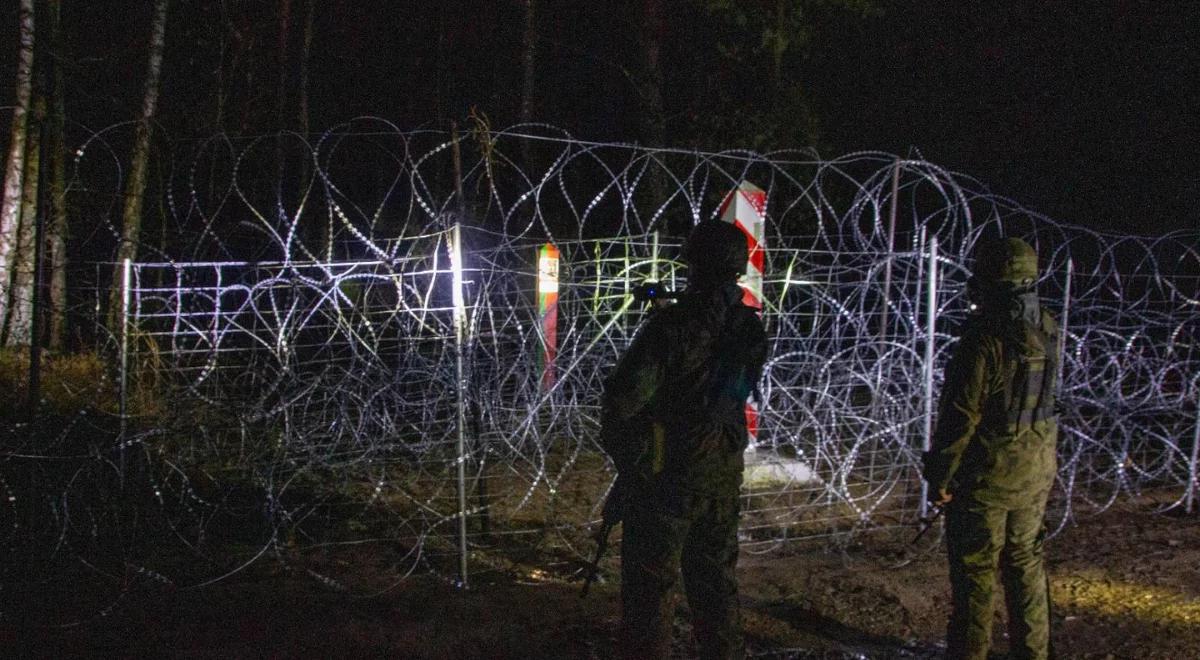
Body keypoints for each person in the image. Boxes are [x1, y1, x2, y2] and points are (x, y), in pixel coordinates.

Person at [600, 219, 767, 660]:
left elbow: (622, 400)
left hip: (666, 475)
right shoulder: (749, 328)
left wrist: (631, 463)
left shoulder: (672, 327)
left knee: (650, 597)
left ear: (693, 265)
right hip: (721, 472)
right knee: (716, 590)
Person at [922, 237, 1060, 660]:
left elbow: (960, 418)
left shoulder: (983, 340)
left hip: (987, 478)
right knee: (1025, 568)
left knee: (976, 576)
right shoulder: (1047, 326)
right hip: (1035, 470)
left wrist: (940, 479)